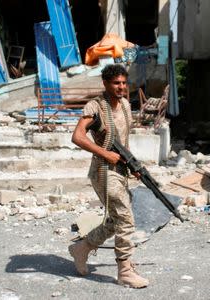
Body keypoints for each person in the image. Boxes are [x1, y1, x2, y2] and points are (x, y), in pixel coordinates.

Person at [69, 64, 149, 288]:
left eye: (124, 83)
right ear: (105, 84)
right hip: (104, 171)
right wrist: (106, 153)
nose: (121, 87)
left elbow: (123, 141)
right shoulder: (95, 106)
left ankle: (81, 248)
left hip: (120, 169)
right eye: (116, 83)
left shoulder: (124, 105)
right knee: (125, 219)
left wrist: (132, 165)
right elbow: (77, 136)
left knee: (115, 220)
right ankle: (125, 271)